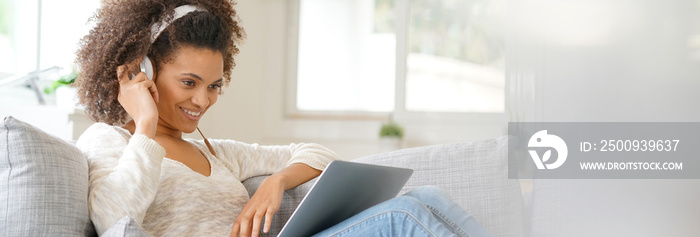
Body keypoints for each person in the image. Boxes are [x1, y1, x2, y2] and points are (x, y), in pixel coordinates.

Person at [74, 0, 493, 236]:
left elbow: (318, 154)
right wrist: (145, 124)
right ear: (145, 74)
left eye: (214, 85)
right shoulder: (108, 140)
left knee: (429, 197)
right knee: (404, 218)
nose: (203, 100)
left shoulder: (215, 152)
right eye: (189, 82)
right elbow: (115, 220)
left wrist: (276, 182)